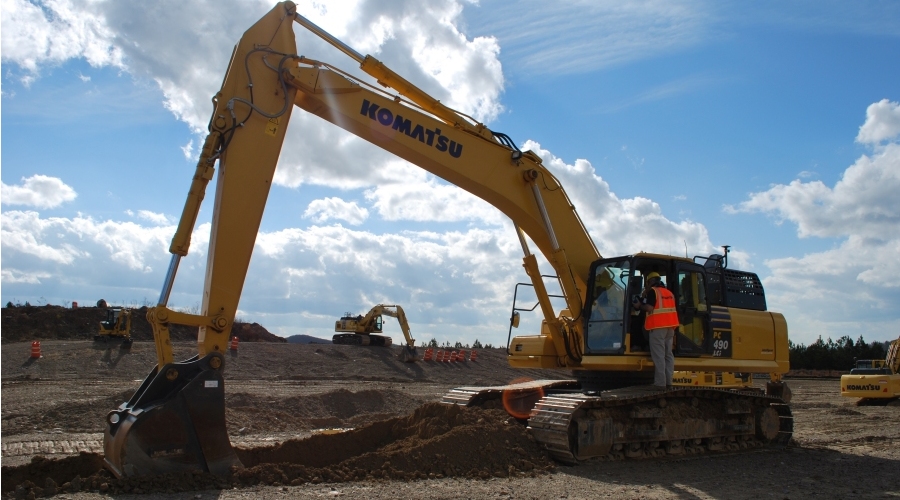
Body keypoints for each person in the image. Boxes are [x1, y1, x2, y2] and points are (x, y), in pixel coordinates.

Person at [631, 272, 679, 388]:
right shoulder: (669, 293)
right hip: (670, 327)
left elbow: (649, 307)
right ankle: (668, 382)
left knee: (659, 356)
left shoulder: (654, 291)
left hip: (658, 327)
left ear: (649, 282)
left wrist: (639, 306)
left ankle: (660, 383)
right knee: (668, 355)